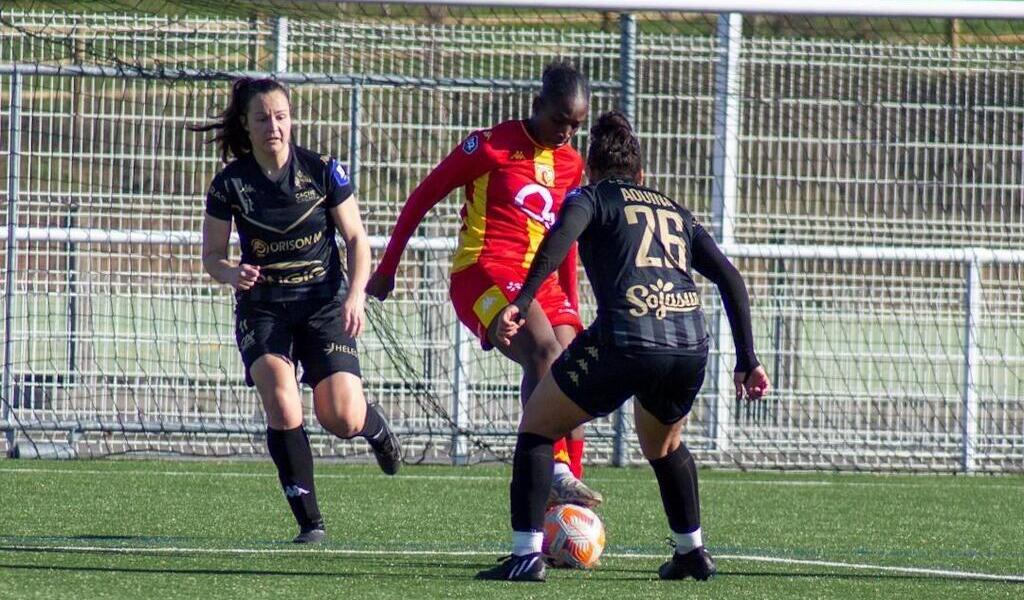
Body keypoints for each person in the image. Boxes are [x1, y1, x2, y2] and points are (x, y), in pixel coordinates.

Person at [476, 111, 770, 581]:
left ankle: (526, 556)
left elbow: (555, 244)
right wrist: (748, 360)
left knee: (537, 426)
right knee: (664, 444)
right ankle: (691, 551)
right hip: (689, 346)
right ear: (642, 175)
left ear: (591, 170)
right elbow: (731, 278)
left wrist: (523, 299)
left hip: (628, 338)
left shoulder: (591, 197)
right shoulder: (673, 209)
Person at [366, 60, 600, 506]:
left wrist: (571, 302)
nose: (566, 133)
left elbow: (565, 242)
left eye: (575, 126)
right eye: (559, 120)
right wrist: (388, 268)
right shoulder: (491, 146)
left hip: (539, 283)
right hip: (485, 270)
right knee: (544, 349)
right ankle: (550, 468)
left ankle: (567, 496)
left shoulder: (571, 165)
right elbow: (424, 195)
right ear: (536, 106)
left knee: (575, 361)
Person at [196, 77, 401, 544]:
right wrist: (231, 274)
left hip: (323, 303)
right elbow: (211, 255)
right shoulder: (230, 183)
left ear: (292, 120)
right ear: (246, 126)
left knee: (342, 417)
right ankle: (311, 522)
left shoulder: (324, 170)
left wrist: (355, 295)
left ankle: (375, 426)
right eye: (263, 118)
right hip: (264, 309)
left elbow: (355, 239)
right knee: (282, 400)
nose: (274, 126)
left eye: (281, 116)